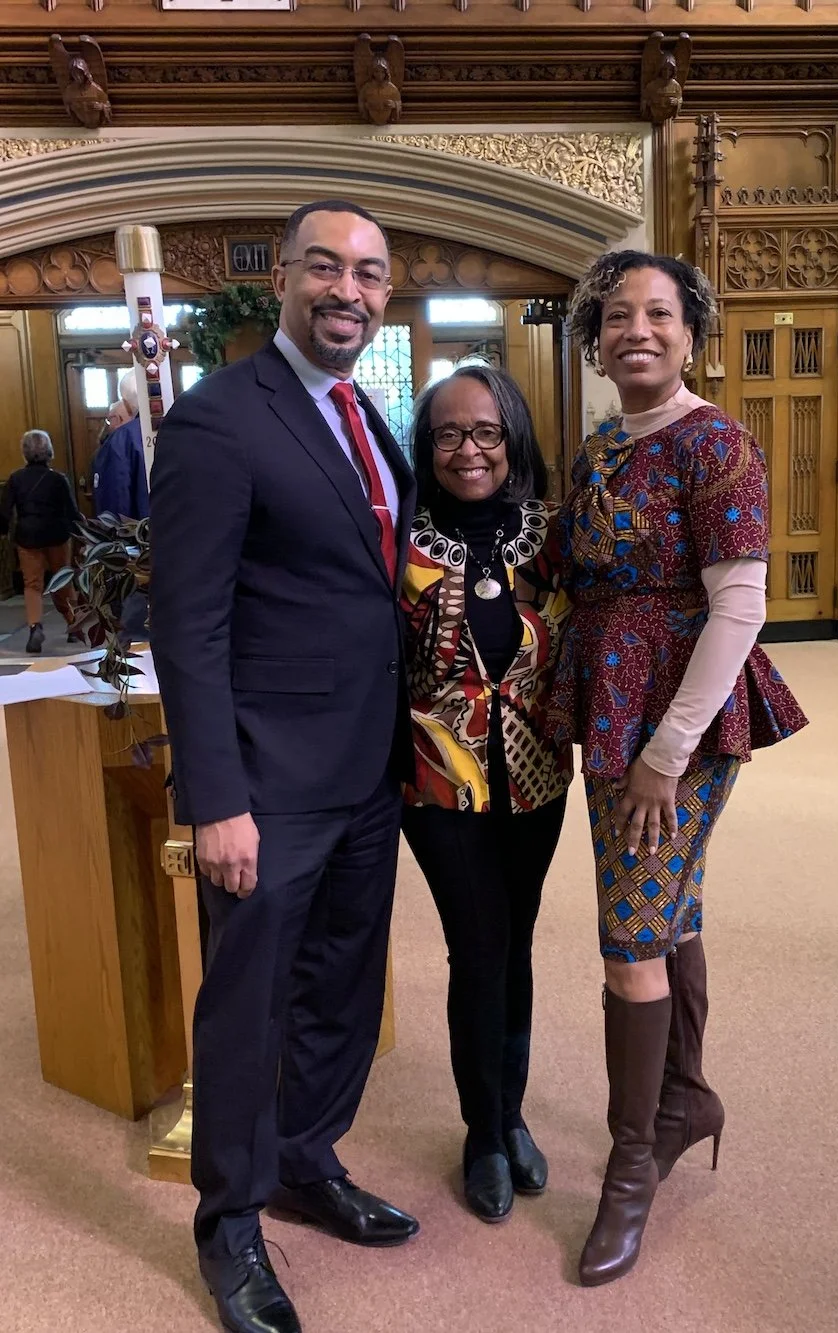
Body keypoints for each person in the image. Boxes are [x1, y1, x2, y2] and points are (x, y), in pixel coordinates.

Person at [149, 199, 419, 1333]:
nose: (345, 290)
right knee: (249, 1008)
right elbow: (187, 624)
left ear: (384, 294)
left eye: (366, 274)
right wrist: (218, 800)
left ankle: (308, 1160)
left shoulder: (370, 416)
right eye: (324, 267)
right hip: (265, 785)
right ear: (284, 285)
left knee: (343, 991)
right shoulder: (221, 420)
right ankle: (231, 1225)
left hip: (366, 776)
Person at [547, 250, 808, 1288]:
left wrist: (666, 750)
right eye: (617, 316)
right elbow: (564, 568)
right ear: (597, 339)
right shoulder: (599, 445)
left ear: (690, 333)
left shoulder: (717, 446)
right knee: (663, 909)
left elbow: (739, 607)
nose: (636, 330)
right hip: (611, 704)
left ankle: (631, 1164)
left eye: (658, 313)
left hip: (679, 720)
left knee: (627, 938)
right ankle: (686, 1095)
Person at [400, 366, 572, 1223]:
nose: (469, 450)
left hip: (538, 776)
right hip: (438, 785)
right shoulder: (400, 540)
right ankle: (481, 1133)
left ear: (513, 438)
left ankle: (512, 1113)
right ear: (427, 449)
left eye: (485, 432)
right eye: (449, 435)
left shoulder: (551, 533)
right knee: (479, 947)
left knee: (521, 942)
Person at [0, 429, 82, 654]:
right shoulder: (58, 479)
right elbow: (72, 512)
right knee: (62, 579)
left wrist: (4, 531)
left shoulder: (16, 479)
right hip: (57, 535)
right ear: (49, 451)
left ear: (25, 452)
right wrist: (84, 531)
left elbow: (5, 512)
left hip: (28, 537)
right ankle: (74, 624)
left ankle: (35, 627)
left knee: (32, 584)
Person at [91, 370, 150, 519]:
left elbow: (115, 501)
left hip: (143, 536)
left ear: (126, 402)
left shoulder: (123, 439)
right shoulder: (185, 428)